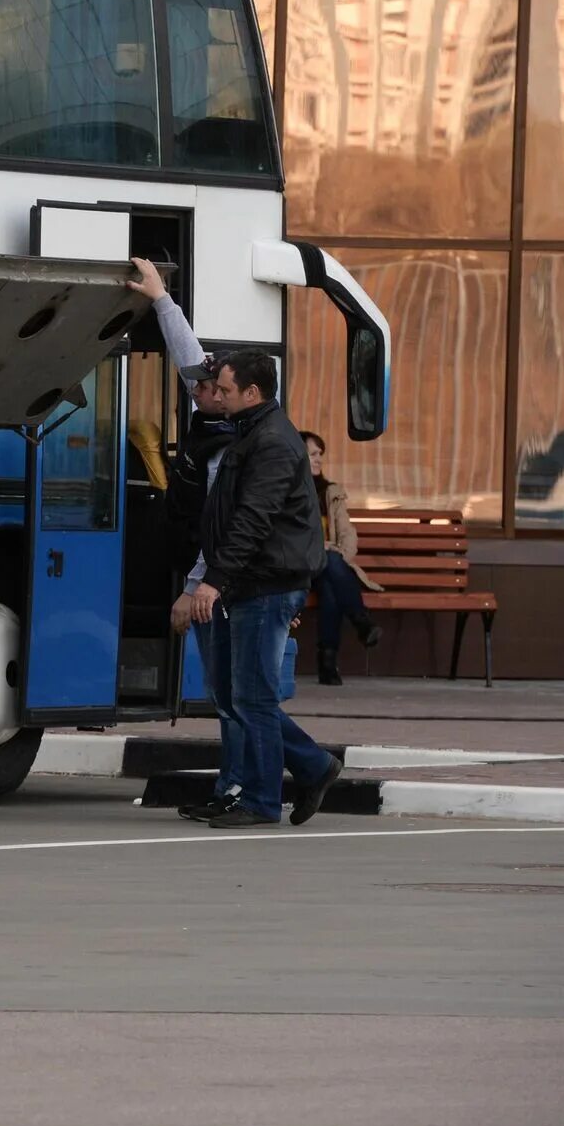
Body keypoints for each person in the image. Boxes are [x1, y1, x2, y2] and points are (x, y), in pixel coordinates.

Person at [187, 350, 343, 829]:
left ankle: (262, 799)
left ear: (251, 393)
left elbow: (254, 520)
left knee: (251, 697)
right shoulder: (253, 432)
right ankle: (314, 766)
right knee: (238, 695)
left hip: (265, 584)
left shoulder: (272, 441)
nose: (219, 397)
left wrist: (213, 580)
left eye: (227, 391)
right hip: (253, 582)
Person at [125, 258, 241, 821]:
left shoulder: (229, 449)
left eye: (212, 386)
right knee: (234, 697)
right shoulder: (216, 420)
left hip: (221, 581)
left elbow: (220, 527)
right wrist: (161, 300)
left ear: (234, 395)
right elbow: (186, 356)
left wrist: (194, 586)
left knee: (235, 697)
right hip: (214, 573)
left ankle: (267, 779)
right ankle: (263, 779)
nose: (197, 388)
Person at [299, 430, 383, 685]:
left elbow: (347, 533)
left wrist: (339, 552)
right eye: (312, 454)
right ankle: (361, 622)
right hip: (299, 566)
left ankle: (328, 664)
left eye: (320, 455)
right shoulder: (287, 491)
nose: (318, 460)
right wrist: (323, 548)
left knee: (330, 588)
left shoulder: (331, 492)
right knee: (330, 566)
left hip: (329, 568)